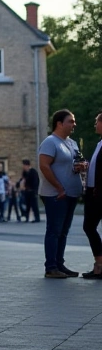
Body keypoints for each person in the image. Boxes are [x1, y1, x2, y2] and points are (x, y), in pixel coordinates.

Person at [40, 109, 87, 278]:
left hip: (71, 194)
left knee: (63, 231)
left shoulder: (72, 143)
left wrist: (81, 166)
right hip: (55, 194)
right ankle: (51, 267)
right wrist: (59, 188)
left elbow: (73, 162)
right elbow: (44, 165)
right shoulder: (50, 142)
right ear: (59, 123)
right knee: (54, 230)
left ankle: (60, 264)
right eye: (71, 121)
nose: (74, 124)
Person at [80, 115, 102, 279]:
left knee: (89, 226)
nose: (95, 125)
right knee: (89, 226)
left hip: (98, 192)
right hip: (92, 191)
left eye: (97, 122)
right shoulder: (99, 143)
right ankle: (99, 264)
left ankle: (99, 266)